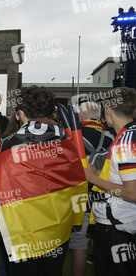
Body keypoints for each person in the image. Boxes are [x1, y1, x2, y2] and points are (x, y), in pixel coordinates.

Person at [0, 86, 87, 276]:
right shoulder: (68, 141)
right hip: (59, 227)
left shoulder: (9, 143)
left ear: (21, 113)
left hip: (23, 230)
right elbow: (79, 185)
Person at [85, 87, 136, 276]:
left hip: (117, 228)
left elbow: (132, 193)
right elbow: (123, 178)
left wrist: (91, 178)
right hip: (122, 224)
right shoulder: (126, 135)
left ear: (108, 109)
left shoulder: (126, 141)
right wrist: (98, 174)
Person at [70, 101, 113, 276]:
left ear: (81, 117)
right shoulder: (113, 136)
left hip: (81, 197)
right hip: (106, 197)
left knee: (79, 243)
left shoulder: (74, 137)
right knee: (104, 244)